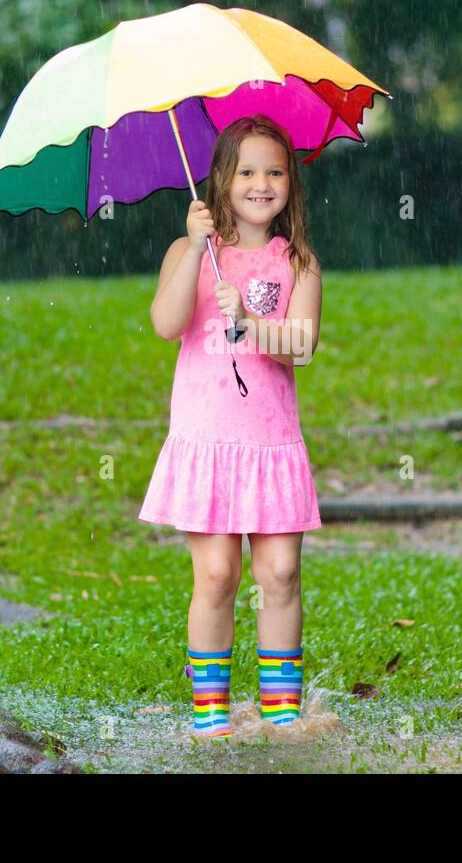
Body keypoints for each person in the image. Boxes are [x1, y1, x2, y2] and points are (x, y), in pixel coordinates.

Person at [138, 114, 323, 739]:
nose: (261, 183)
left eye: (274, 171)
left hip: (270, 443)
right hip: (208, 440)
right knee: (217, 575)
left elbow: (300, 344)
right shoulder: (191, 252)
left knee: (280, 575)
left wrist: (250, 320)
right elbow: (165, 324)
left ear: (289, 184)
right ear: (219, 179)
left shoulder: (295, 261)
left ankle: (280, 714)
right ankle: (212, 715)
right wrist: (193, 248)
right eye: (246, 170)